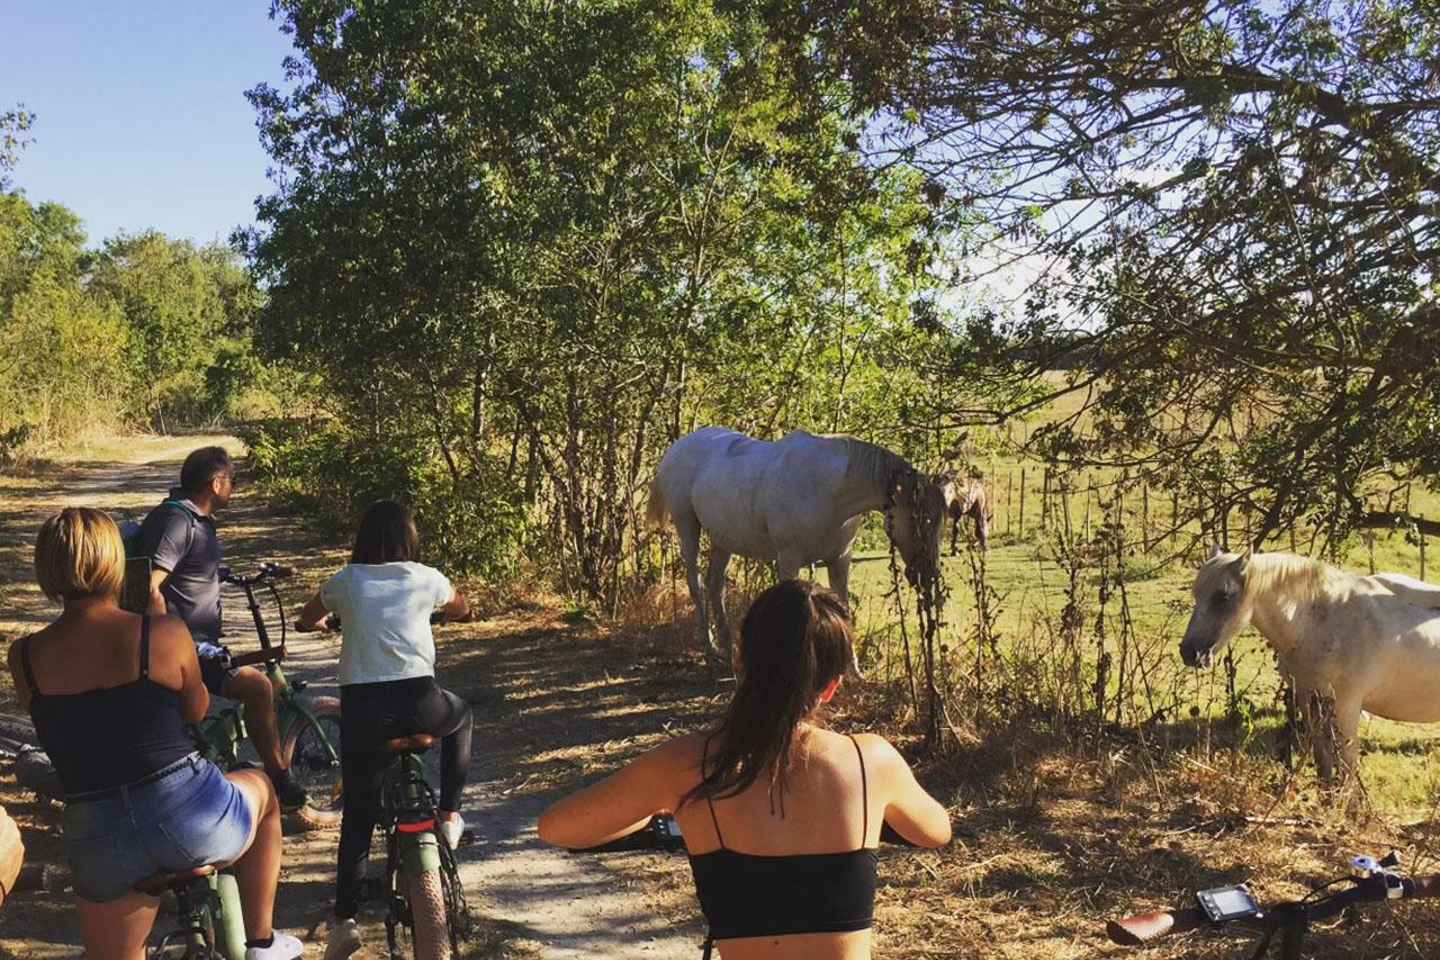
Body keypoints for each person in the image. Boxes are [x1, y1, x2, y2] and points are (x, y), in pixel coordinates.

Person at [538, 578, 952, 960]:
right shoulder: (871, 761)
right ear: (831, 687)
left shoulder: (689, 765)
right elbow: (935, 831)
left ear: (740, 660)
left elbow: (557, 828)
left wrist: (657, 808)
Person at [7, 508, 300, 960]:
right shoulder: (159, 632)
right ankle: (262, 942)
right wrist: (157, 626)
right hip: (191, 814)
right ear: (116, 562)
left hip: (99, 834)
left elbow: (62, 729)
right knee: (263, 789)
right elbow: (196, 709)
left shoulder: (24, 656)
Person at [294, 500, 474, 960]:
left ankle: (345, 921)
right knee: (462, 715)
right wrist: (447, 613)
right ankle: (450, 814)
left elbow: (307, 618)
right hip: (422, 706)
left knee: (358, 815)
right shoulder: (427, 578)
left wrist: (322, 623)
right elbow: (461, 608)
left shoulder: (346, 580)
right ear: (409, 539)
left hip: (366, 715)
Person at [132, 445, 308, 810]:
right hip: (184, 645)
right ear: (215, 483)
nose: (234, 488)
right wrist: (163, 641)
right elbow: (149, 585)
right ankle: (279, 778)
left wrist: (233, 574)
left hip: (189, 641)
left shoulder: (192, 519)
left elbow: (189, 570)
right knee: (259, 687)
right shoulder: (178, 521)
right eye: (233, 481)